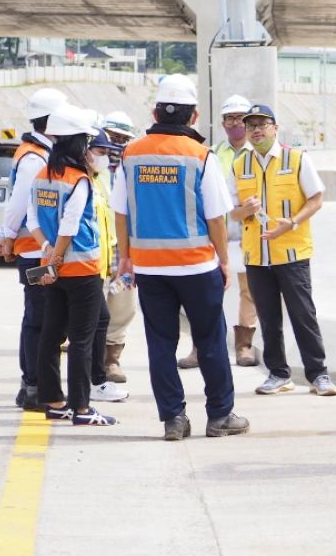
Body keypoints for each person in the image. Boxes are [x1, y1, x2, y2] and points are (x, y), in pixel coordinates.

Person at [113, 74, 249, 441]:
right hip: (197, 265)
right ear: (194, 117)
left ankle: (173, 418)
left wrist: (125, 257)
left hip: (150, 267)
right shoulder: (200, 156)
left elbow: (121, 212)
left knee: (161, 344)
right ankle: (220, 416)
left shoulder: (131, 153)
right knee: (210, 340)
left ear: (156, 110)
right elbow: (216, 216)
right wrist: (223, 260)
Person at [229, 103, 336, 397]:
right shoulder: (240, 164)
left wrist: (292, 222)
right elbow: (230, 212)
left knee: (303, 315)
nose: (257, 130)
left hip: (292, 253)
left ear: (275, 128)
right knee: (269, 318)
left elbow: (316, 198)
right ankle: (278, 374)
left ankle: (319, 374)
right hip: (256, 254)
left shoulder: (297, 159)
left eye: (263, 124)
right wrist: (243, 209)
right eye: (251, 125)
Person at [29, 105, 118, 427]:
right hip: (81, 270)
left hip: (50, 270)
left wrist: (47, 253)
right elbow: (70, 224)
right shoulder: (79, 180)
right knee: (82, 340)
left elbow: (33, 220)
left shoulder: (43, 176)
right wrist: (57, 256)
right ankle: (82, 408)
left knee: (51, 335)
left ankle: (53, 401)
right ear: (78, 143)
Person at [179, 93, 260, 370]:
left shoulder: (259, 154)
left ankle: (244, 345)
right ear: (222, 123)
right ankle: (200, 348)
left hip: (251, 232)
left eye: (240, 118)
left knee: (249, 291)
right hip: (216, 233)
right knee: (208, 293)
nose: (235, 123)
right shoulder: (211, 154)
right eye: (229, 118)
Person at [0, 87, 67, 410]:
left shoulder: (38, 153)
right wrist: (7, 235)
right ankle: (33, 385)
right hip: (32, 252)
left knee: (39, 317)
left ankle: (34, 383)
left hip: (35, 250)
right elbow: (18, 203)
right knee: (39, 318)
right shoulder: (34, 158)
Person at [87, 128, 129, 400]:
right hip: (85, 264)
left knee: (109, 315)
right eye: (100, 152)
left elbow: (110, 217)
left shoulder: (101, 177)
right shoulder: (76, 180)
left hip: (106, 257)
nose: (104, 157)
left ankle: (98, 377)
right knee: (91, 324)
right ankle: (91, 385)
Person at [100, 111, 141, 383]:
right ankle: (91, 358)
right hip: (97, 247)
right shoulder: (91, 169)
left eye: (122, 140)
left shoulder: (133, 170)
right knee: (92, 306)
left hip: (125, 249)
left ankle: (112, 360)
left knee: (123, 306)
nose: (116, 145)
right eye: (112, 138)